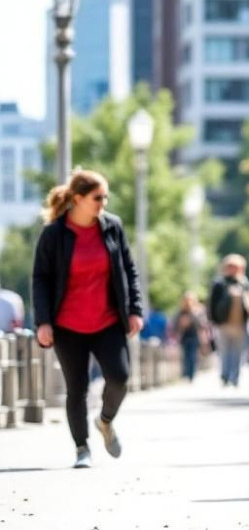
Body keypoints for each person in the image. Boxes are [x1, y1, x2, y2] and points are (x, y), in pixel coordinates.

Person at [30, 170, 144, 468]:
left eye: (106, 196)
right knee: (76, 388)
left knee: (119, 377)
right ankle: (82, 449)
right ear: (77, 199)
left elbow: (129, 270)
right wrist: (43, 321)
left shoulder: (112, 227)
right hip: (68, 325)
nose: (103, 202)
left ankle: (105, 421)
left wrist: (135, 310)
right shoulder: (55, 233)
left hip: (107, 321)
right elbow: (40, 278)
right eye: (97, 197)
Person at [209, 254, 249, 387]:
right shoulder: (219, 283)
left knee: (238, 351)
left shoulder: (244, 282)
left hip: (240, 323)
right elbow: (212, 303)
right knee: (224, 350)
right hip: (223, 322)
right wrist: (214, 320)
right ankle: (225, 374)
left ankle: (235, 376)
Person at [172, 291, 209, 382]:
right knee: (185, 356)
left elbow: (202, 325)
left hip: (194, 336)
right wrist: (182, 324)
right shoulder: (181, 312)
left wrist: (204, 340)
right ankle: (186, 374)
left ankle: (191, 375)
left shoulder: (197, 311)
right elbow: (175, 325)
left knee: (192, 356)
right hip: (184, 336)